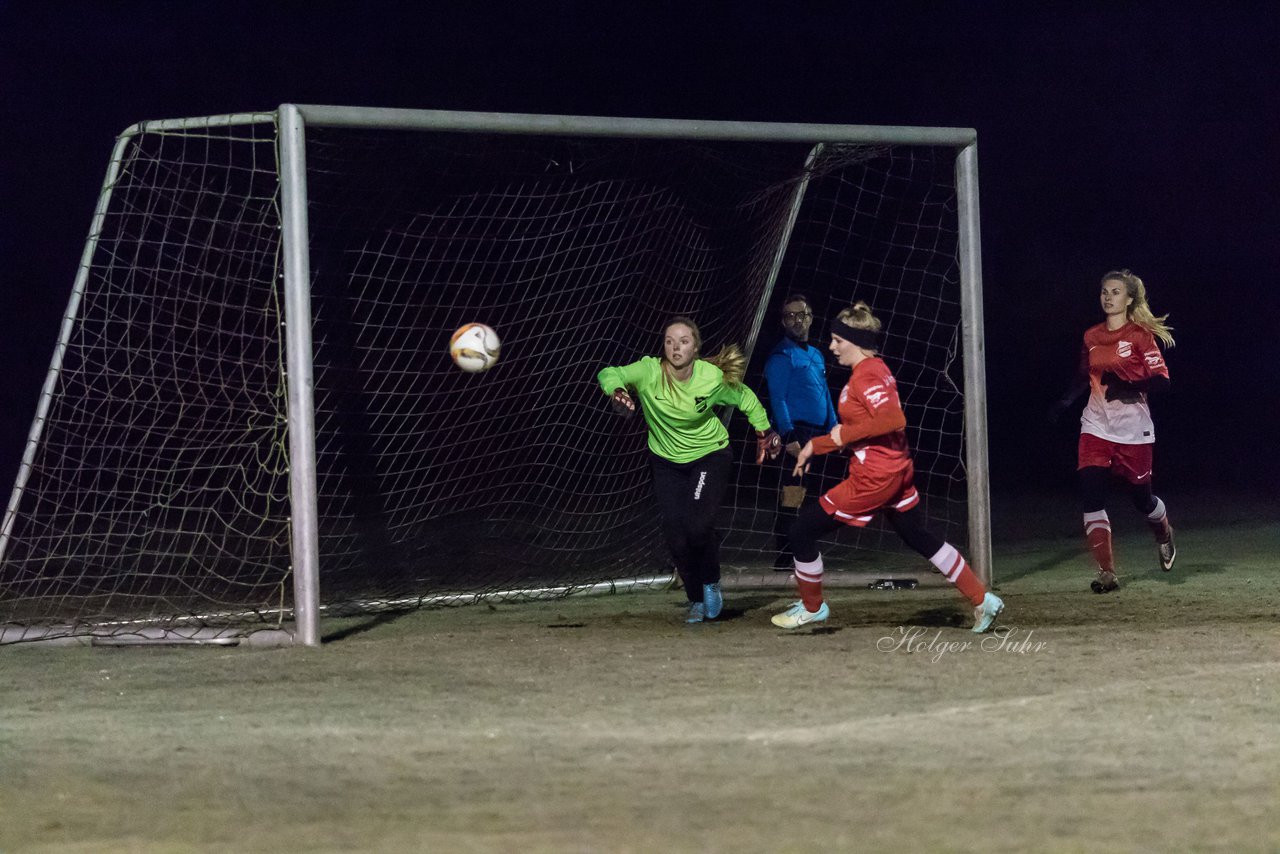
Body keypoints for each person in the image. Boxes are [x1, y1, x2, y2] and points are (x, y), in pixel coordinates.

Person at [771, 301, 1004, 633]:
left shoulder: (867, 375)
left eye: (839, 340)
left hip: (874, 478)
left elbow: (894, 419)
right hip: (895, 470)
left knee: (801, 531)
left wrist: (844, 434)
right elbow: (865, 428)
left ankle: (811, 607)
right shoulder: (873, 370)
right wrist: (816, 445)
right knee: (917, 535)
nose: (832, 347)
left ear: (857, 342)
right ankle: (983, 600)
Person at [599, 317, 782, 623]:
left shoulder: (711, 378)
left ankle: (711, 582)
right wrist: (617, 390)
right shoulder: (648, 372)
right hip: (666, 462)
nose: (675, 347)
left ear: (696, 347)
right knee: (675, 535)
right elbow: (609, 372)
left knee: (698, 528)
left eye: (683, 341)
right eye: (670, 340)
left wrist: (763, 432)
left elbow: (746, 398)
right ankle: (695, 597)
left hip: (709, 456)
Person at [1048, 269, 1175, 593]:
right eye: (1104, 291)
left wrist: (1130, 386)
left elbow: (1162, 381)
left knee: (1141, 500)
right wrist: (1064, 402)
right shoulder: (1091, 336)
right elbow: (1083, 376)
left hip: (1134, 432)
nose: (1108, 296)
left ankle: (1163, 532)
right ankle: (1107, 573)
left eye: (1115, 291)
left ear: (1129, 298)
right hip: (1095, 426)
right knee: (1091, 495)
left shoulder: (1140, 336)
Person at [763, 293, 838, 569]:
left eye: (802, 314)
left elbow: (824, 394)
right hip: (798, 436)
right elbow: (777, 398)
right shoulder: (782, 356)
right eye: (790, 315)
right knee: (792, 496)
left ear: (811, 318)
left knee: (811, 496)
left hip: (819, 436)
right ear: (783, 321)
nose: (797, 320)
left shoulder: (817, 355)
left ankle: (801, 552)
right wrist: (789, 436)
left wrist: (835, 428)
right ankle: (785, 557)